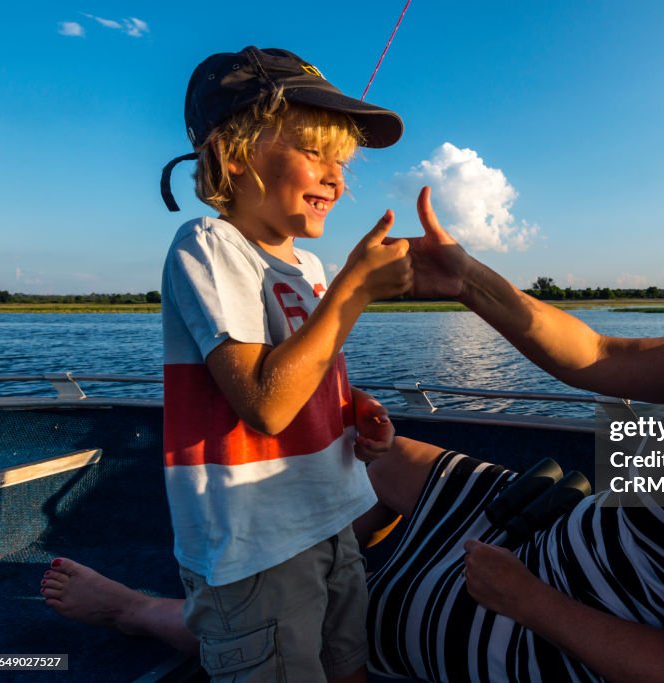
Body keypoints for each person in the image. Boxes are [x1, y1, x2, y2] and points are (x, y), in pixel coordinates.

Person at [43, 162, 664, 682]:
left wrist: (528, 599)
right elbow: (606, 360)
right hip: (574, 532)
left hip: (547, 619)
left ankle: (155, 610)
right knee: (386, 448)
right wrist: (470, 281)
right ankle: (322, 532)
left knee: (321, 623)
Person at [108, 45, 405, 683]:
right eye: (313, 151)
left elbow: (306, 375)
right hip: (256, 548)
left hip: (330, 519)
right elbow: (266, 403)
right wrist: (355, 290)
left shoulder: (312, 268)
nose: (336, 176)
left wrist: (354, 410)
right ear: (234, 155)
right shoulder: (209, 246)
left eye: (341, 161)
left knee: (348, 665)